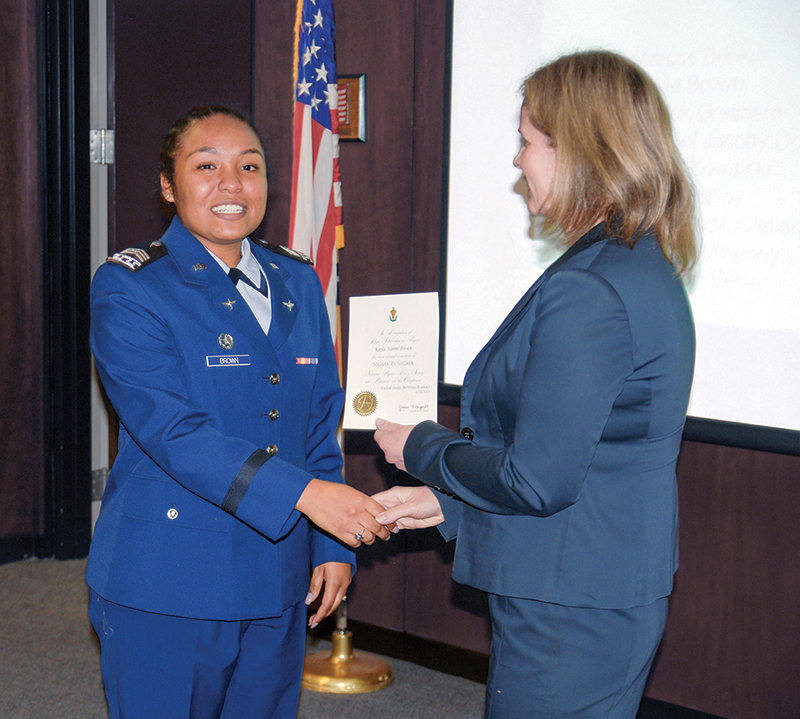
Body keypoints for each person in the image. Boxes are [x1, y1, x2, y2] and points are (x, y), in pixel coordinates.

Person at [373, 51, 697, 719]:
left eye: (527, 141)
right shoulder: (632, 264)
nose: (518, 162)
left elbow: (537, 479)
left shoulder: (591, 288)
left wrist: (424, 446)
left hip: (568, 611)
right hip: (589, 591)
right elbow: (587, 454)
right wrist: (449, 504)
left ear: (579, 149)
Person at [87, 104, 389, 719]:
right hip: (169, 580)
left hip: (277, 575)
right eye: (207, 166)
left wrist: (332, 542)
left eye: (249, 166)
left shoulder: (297, 280)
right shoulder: (132, 286)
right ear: (169, 187)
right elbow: (173, 430)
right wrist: (310, 498)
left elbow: (316, 420)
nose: (232, 184)